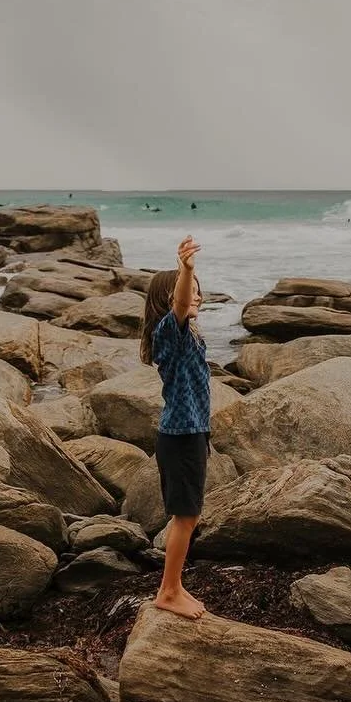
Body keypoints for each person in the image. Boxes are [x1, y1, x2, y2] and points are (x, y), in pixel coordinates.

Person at [139, 235, 210, 620]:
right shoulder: (171, 330)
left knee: (190, 514)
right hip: (181, 436)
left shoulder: (190, 336)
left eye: (199, 290)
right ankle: (167, 592)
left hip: (191, 433)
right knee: (185, 516)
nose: (195, 296)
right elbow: (181, 304)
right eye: (189, 291)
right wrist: (186, 270)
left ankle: (175, 584)